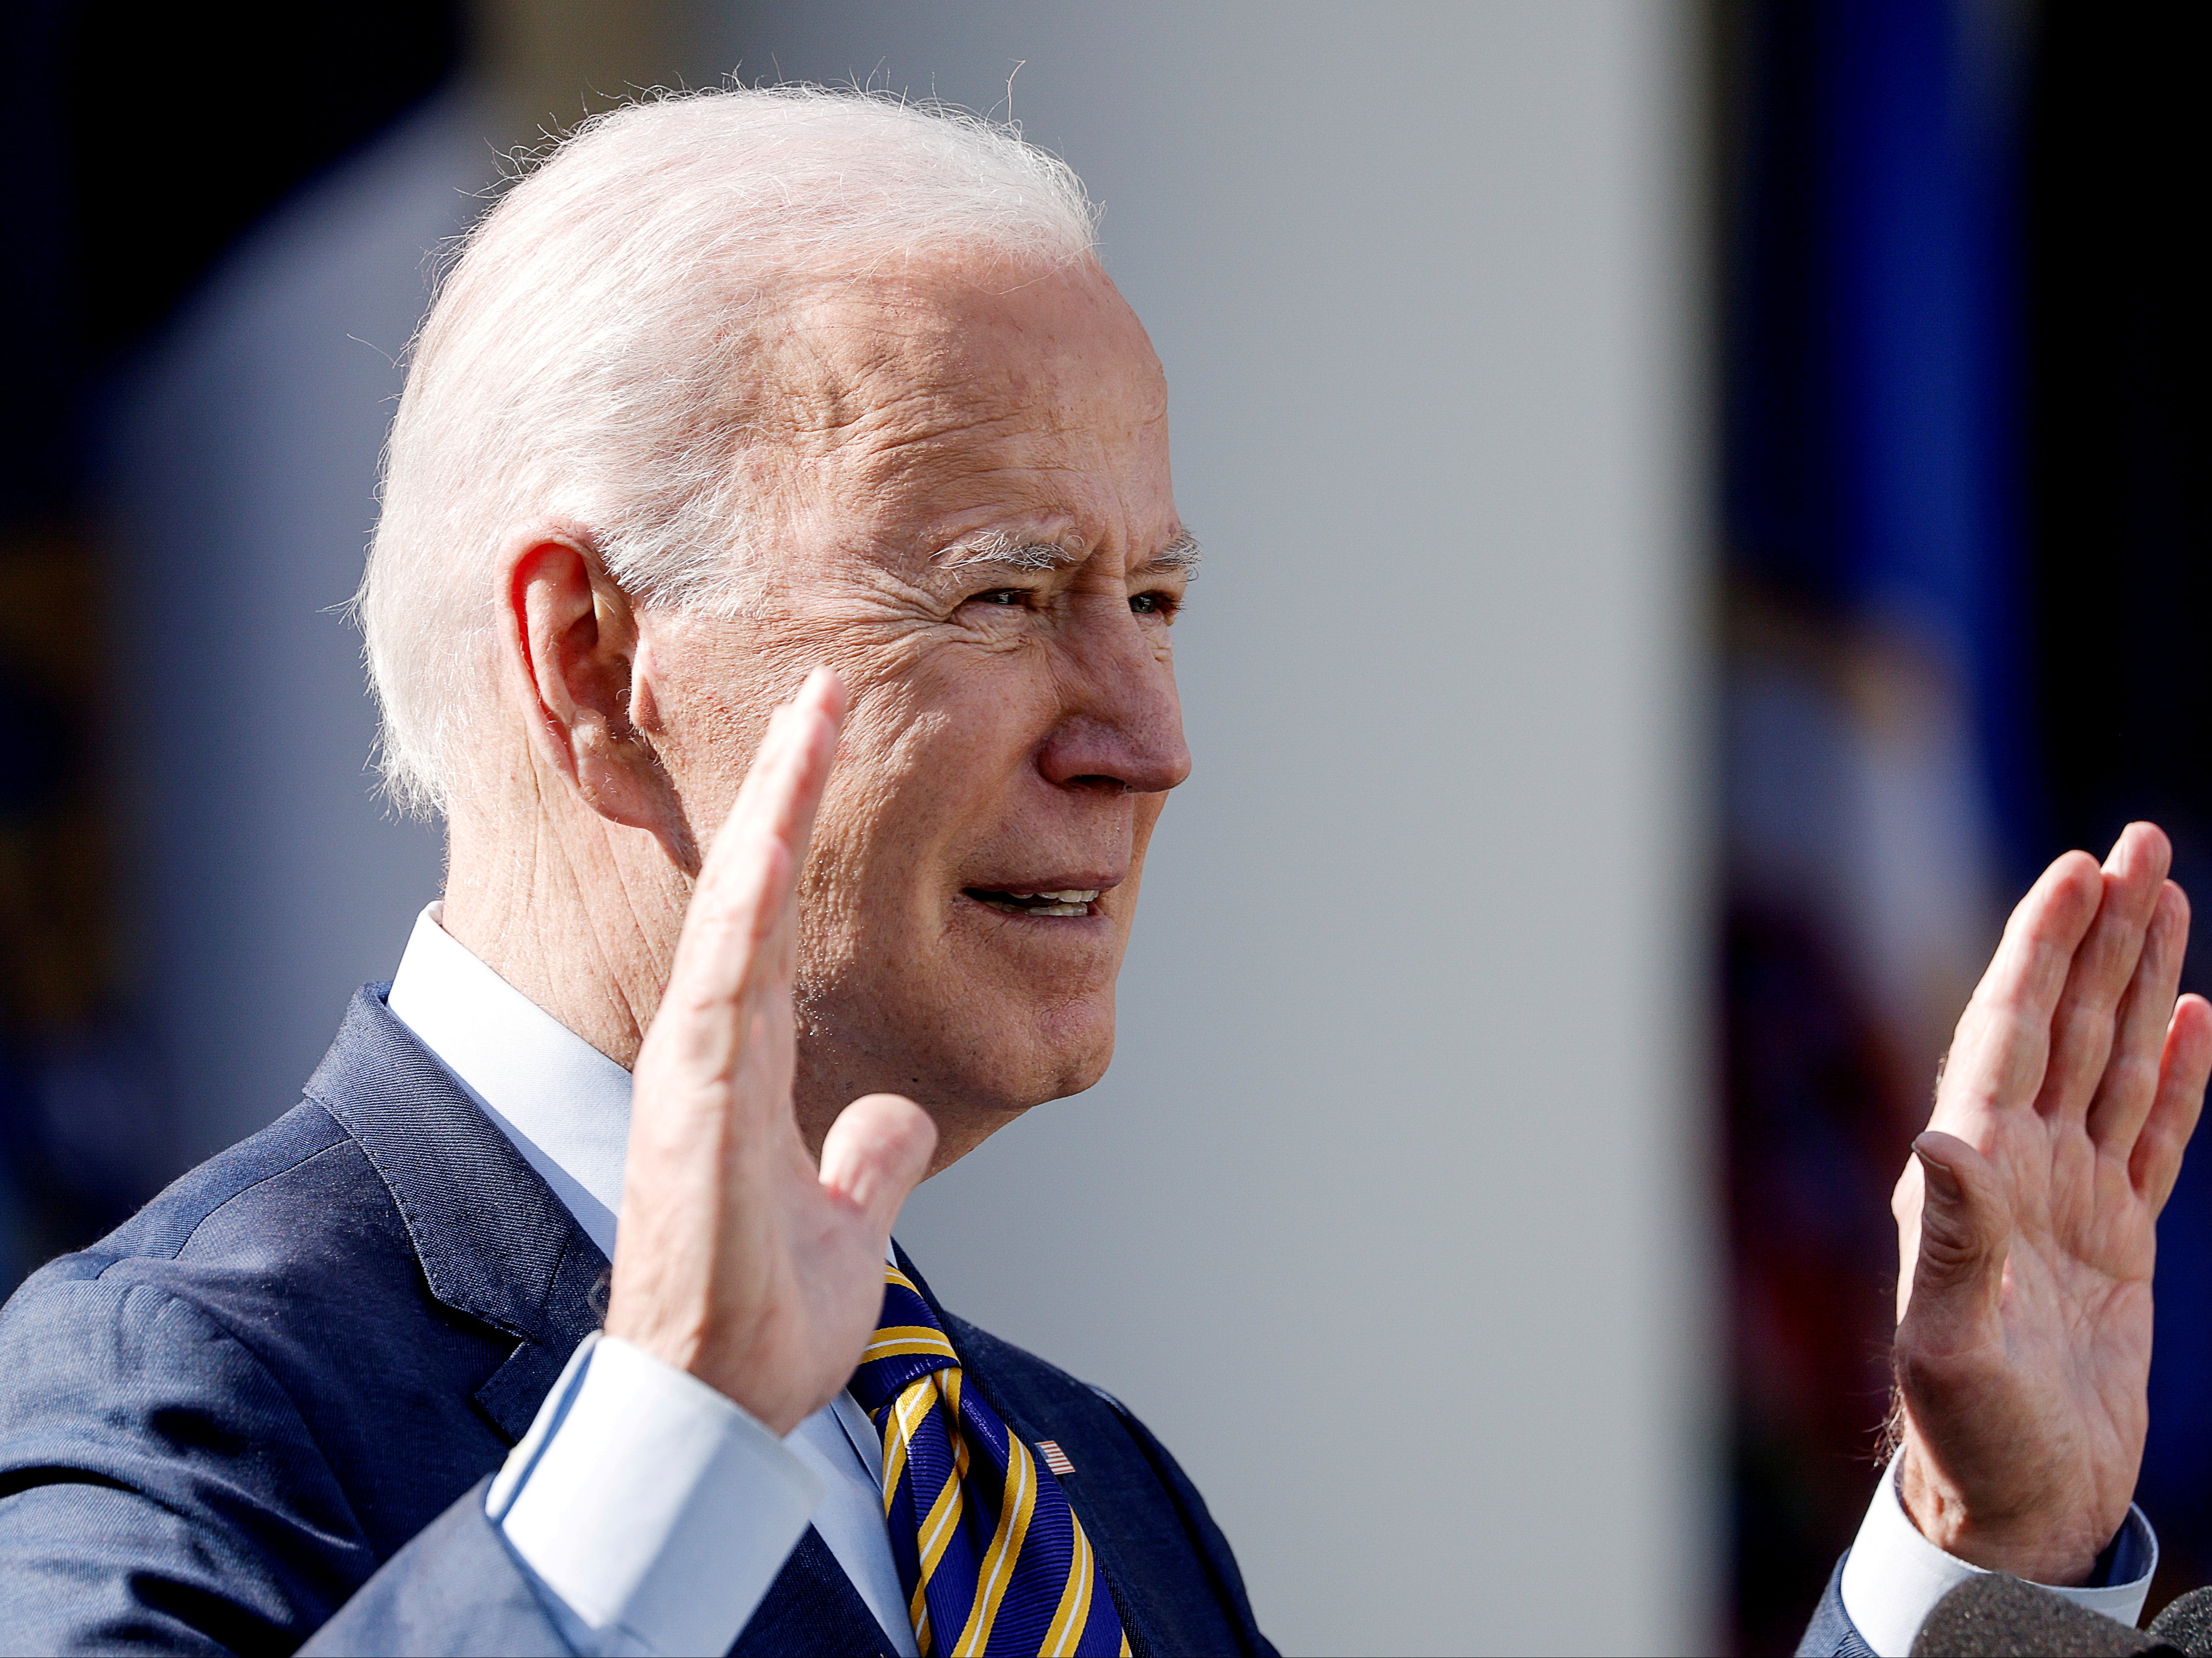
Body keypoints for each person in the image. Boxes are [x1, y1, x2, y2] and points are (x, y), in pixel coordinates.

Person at [0, 86, 2198, 1658]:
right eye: (999, 593)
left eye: (1152, 599)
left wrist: (1978, 1558)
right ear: (593, 659)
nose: (1145, 743)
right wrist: (654, 1452)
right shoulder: (162, 1395)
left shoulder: (1078, 1500)